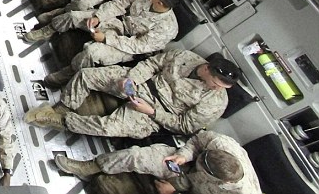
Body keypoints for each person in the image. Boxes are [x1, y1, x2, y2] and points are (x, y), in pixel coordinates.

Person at [26, 50, 240, 139]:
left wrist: (152, 111)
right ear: (208, 70)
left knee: (109, 127)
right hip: (140, 84)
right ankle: (64, 106)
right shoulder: (186, 57)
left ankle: (61, 120)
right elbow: (152, 63)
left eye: (223, 88)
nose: (217, 89)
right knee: (86, 75)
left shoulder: (216, 101)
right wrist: (132, 79)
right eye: (216, 83)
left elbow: (184, 125)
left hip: (154, 111)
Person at [28, 0, 181, 87]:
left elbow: (139, 46)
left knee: (91, 52)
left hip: (130, 47)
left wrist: (107, 39)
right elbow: (119, 4)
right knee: (75, 16)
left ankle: (67, 74)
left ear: (160, 3)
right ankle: (48, 30)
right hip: (119, 24)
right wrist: (99, 17)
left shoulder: (167, 28)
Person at [54, 129, 261, 194]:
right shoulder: (221, 143)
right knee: (137, 156)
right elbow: (198, 141)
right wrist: (186, 155)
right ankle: (91, 167)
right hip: (184, 165)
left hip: (193, 189)